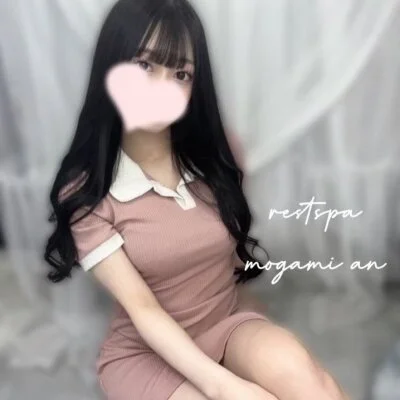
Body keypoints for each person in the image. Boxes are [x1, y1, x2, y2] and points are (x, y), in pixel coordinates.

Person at [44, 0, 349, 399]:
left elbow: (222, 255)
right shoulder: (87, 191)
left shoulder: (218, 158)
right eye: (144, 65)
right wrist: (225, 387)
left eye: (181, 74)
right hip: (145, 351)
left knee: (316, 387)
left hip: (225, 323)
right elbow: (144, 309)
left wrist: (260, 342)